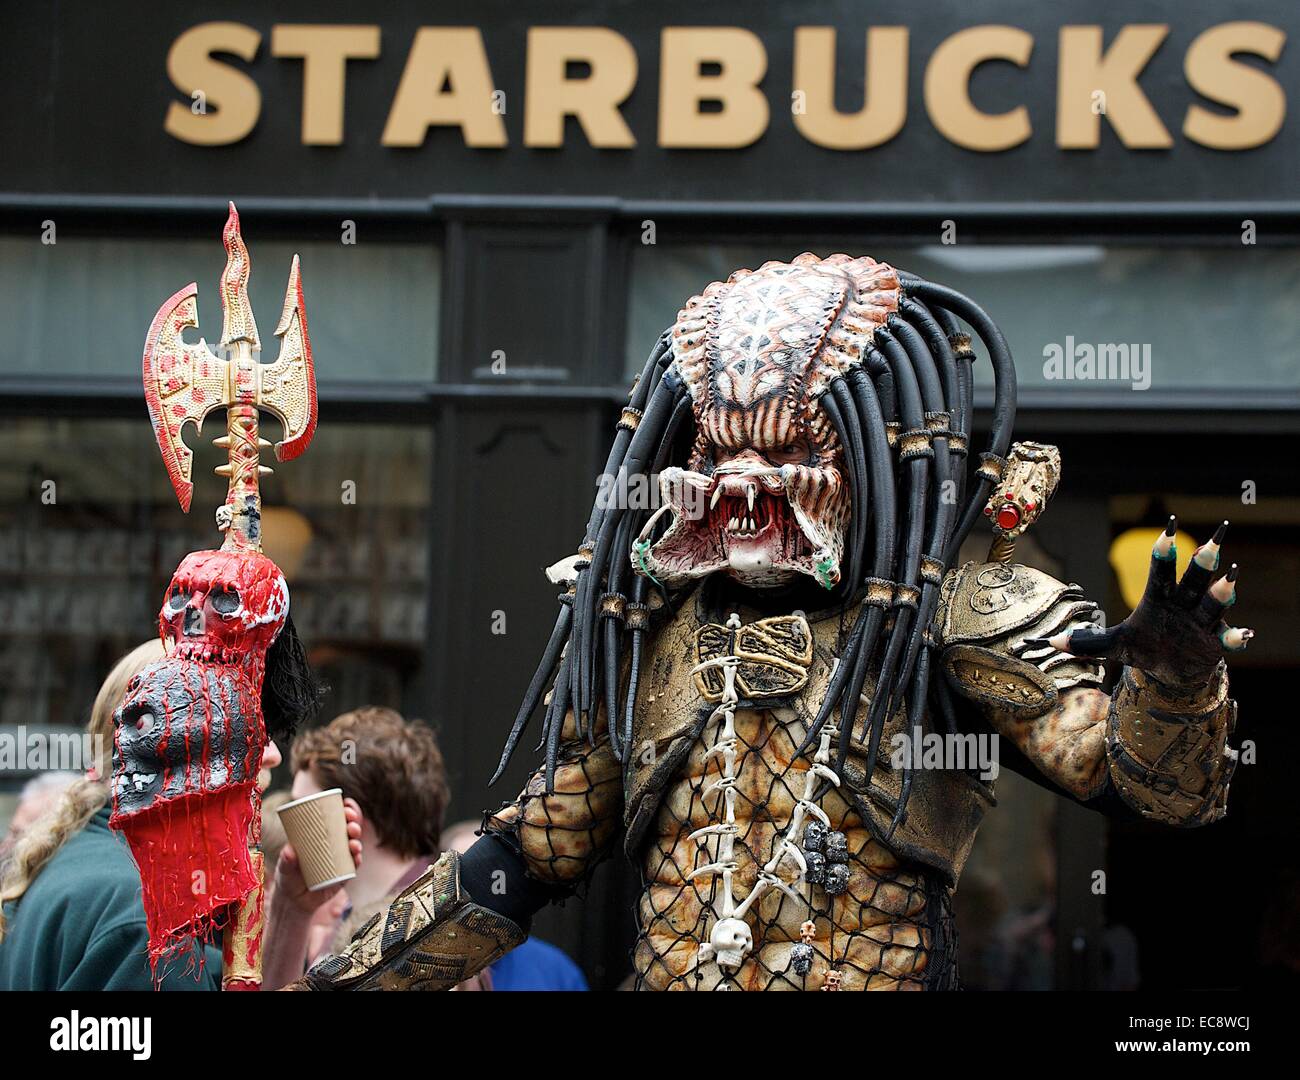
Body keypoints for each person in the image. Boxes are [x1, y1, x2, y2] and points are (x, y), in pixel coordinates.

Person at [262, 705, 449, 989]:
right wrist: (290, 912)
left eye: (302, 809)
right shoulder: (336, 925)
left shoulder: (436, 932)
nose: (291, 832)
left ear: (348, 813)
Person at [441, 819, 588, 992]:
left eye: (491, 872)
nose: (480, 886)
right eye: (465, 875)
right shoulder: (415, 967)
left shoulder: (555, 970)